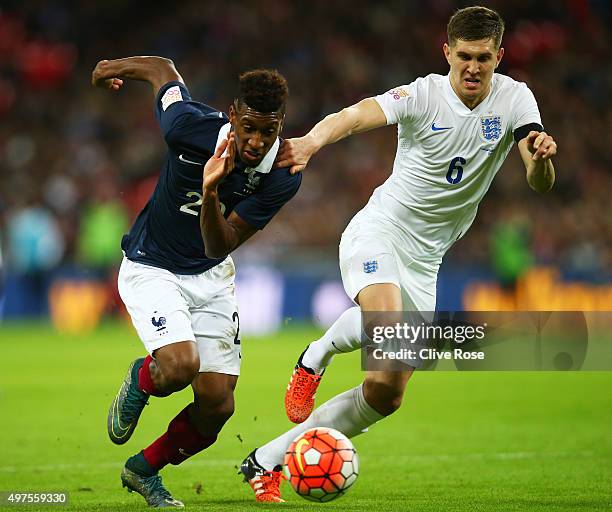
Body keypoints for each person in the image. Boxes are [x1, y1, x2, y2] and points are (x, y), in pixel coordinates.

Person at [239, 6, 557, 502]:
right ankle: (315, 355)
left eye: (484, 58)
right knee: (386, 329)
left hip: (426, 262)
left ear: (500, 56)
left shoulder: (517, 100)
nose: (473, 68)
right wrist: (311, 143)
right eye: (465, 57)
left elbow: (539, 183)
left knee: (385, 394)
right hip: (380, 232)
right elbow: (355, 115)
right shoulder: (423, 94)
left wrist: (539, 161)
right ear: (447, 52)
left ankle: (266, 460)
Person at [91, 56, 301, 508]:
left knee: (218, 405)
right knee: (179, 367)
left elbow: (218, 245)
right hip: (151, 265)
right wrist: (114, 67)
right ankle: (143, 378)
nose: (256, 140)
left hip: (210, 273)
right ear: (232, 115)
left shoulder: (282, 175)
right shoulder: (186, 127)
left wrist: (209, 193)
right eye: (249, 127)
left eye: (267, 131)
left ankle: (143, 469)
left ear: (280, 125)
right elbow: (164, 70)